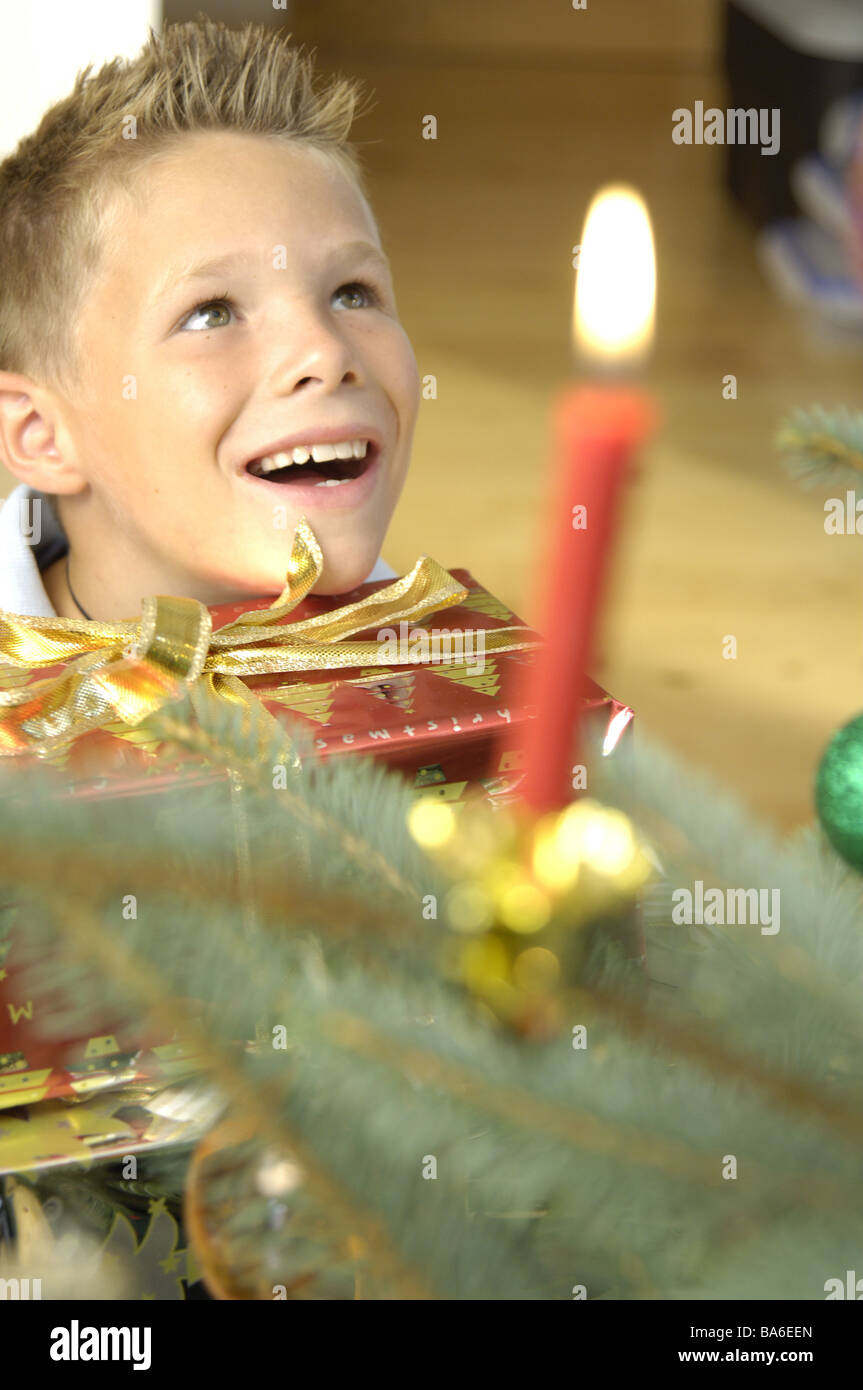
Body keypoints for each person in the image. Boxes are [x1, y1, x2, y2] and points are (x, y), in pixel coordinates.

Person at [0, 19, 418, 620]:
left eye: (352, 294)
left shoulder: (467, 676)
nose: (326, 354)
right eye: (211, 313)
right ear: (41, 433)